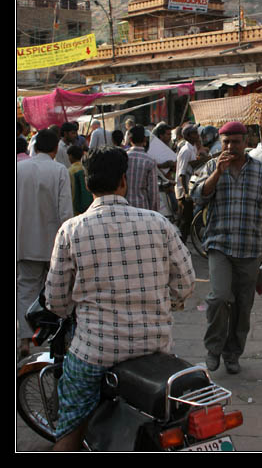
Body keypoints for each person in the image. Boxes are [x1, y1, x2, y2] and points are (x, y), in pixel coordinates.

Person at [45, 145, 195, 451]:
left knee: (70, 424)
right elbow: (186, 284)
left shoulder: (72, 230)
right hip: (156, 350)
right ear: (123, 181)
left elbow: (57, 302)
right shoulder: (159, 223)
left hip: (94, 354)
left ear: (87, 185)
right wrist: (164, 303)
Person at [190, 121, 262, 375]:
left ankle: (233, 353)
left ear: (246, 142)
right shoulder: (211, 166)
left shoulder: (260, 170)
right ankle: (213, 349)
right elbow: (196, 196)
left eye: (235, 141)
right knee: (219, 297)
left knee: (243, 305)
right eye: (226, 141)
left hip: (251, 247)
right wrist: (217, 173)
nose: (230, 146)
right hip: (219, 244)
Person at [17, 128, 73, 358]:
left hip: (24, 242)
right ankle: (51, 336)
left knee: (25, 289)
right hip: (53, 244)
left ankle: (24, 339)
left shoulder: (18, 169)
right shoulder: (59, 170)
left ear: (35, 146)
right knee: (55, 291)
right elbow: (65, 212)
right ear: (55, 149)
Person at [175, 124, 208, 243]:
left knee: (185, 220)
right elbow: (181, 173)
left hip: (189, 187)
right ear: (188, 136)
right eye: (194, 133)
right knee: (185, 221)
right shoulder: (186, 150)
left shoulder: (192, 148)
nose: (197, 135)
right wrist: (186, 193)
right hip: (183, 190)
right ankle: (179, 245)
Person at [125, 125, 159, 211]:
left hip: (124, 207)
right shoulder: (150, 161)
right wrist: (154, 212)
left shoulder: (122, 157)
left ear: (130, 140)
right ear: (145, 140)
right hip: (142, 208)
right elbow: (153, 192)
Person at [67, 145, 93, 215]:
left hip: (75, 208)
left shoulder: (70, 171)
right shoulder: (88, 167)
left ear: (70, 156)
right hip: (89, 206)